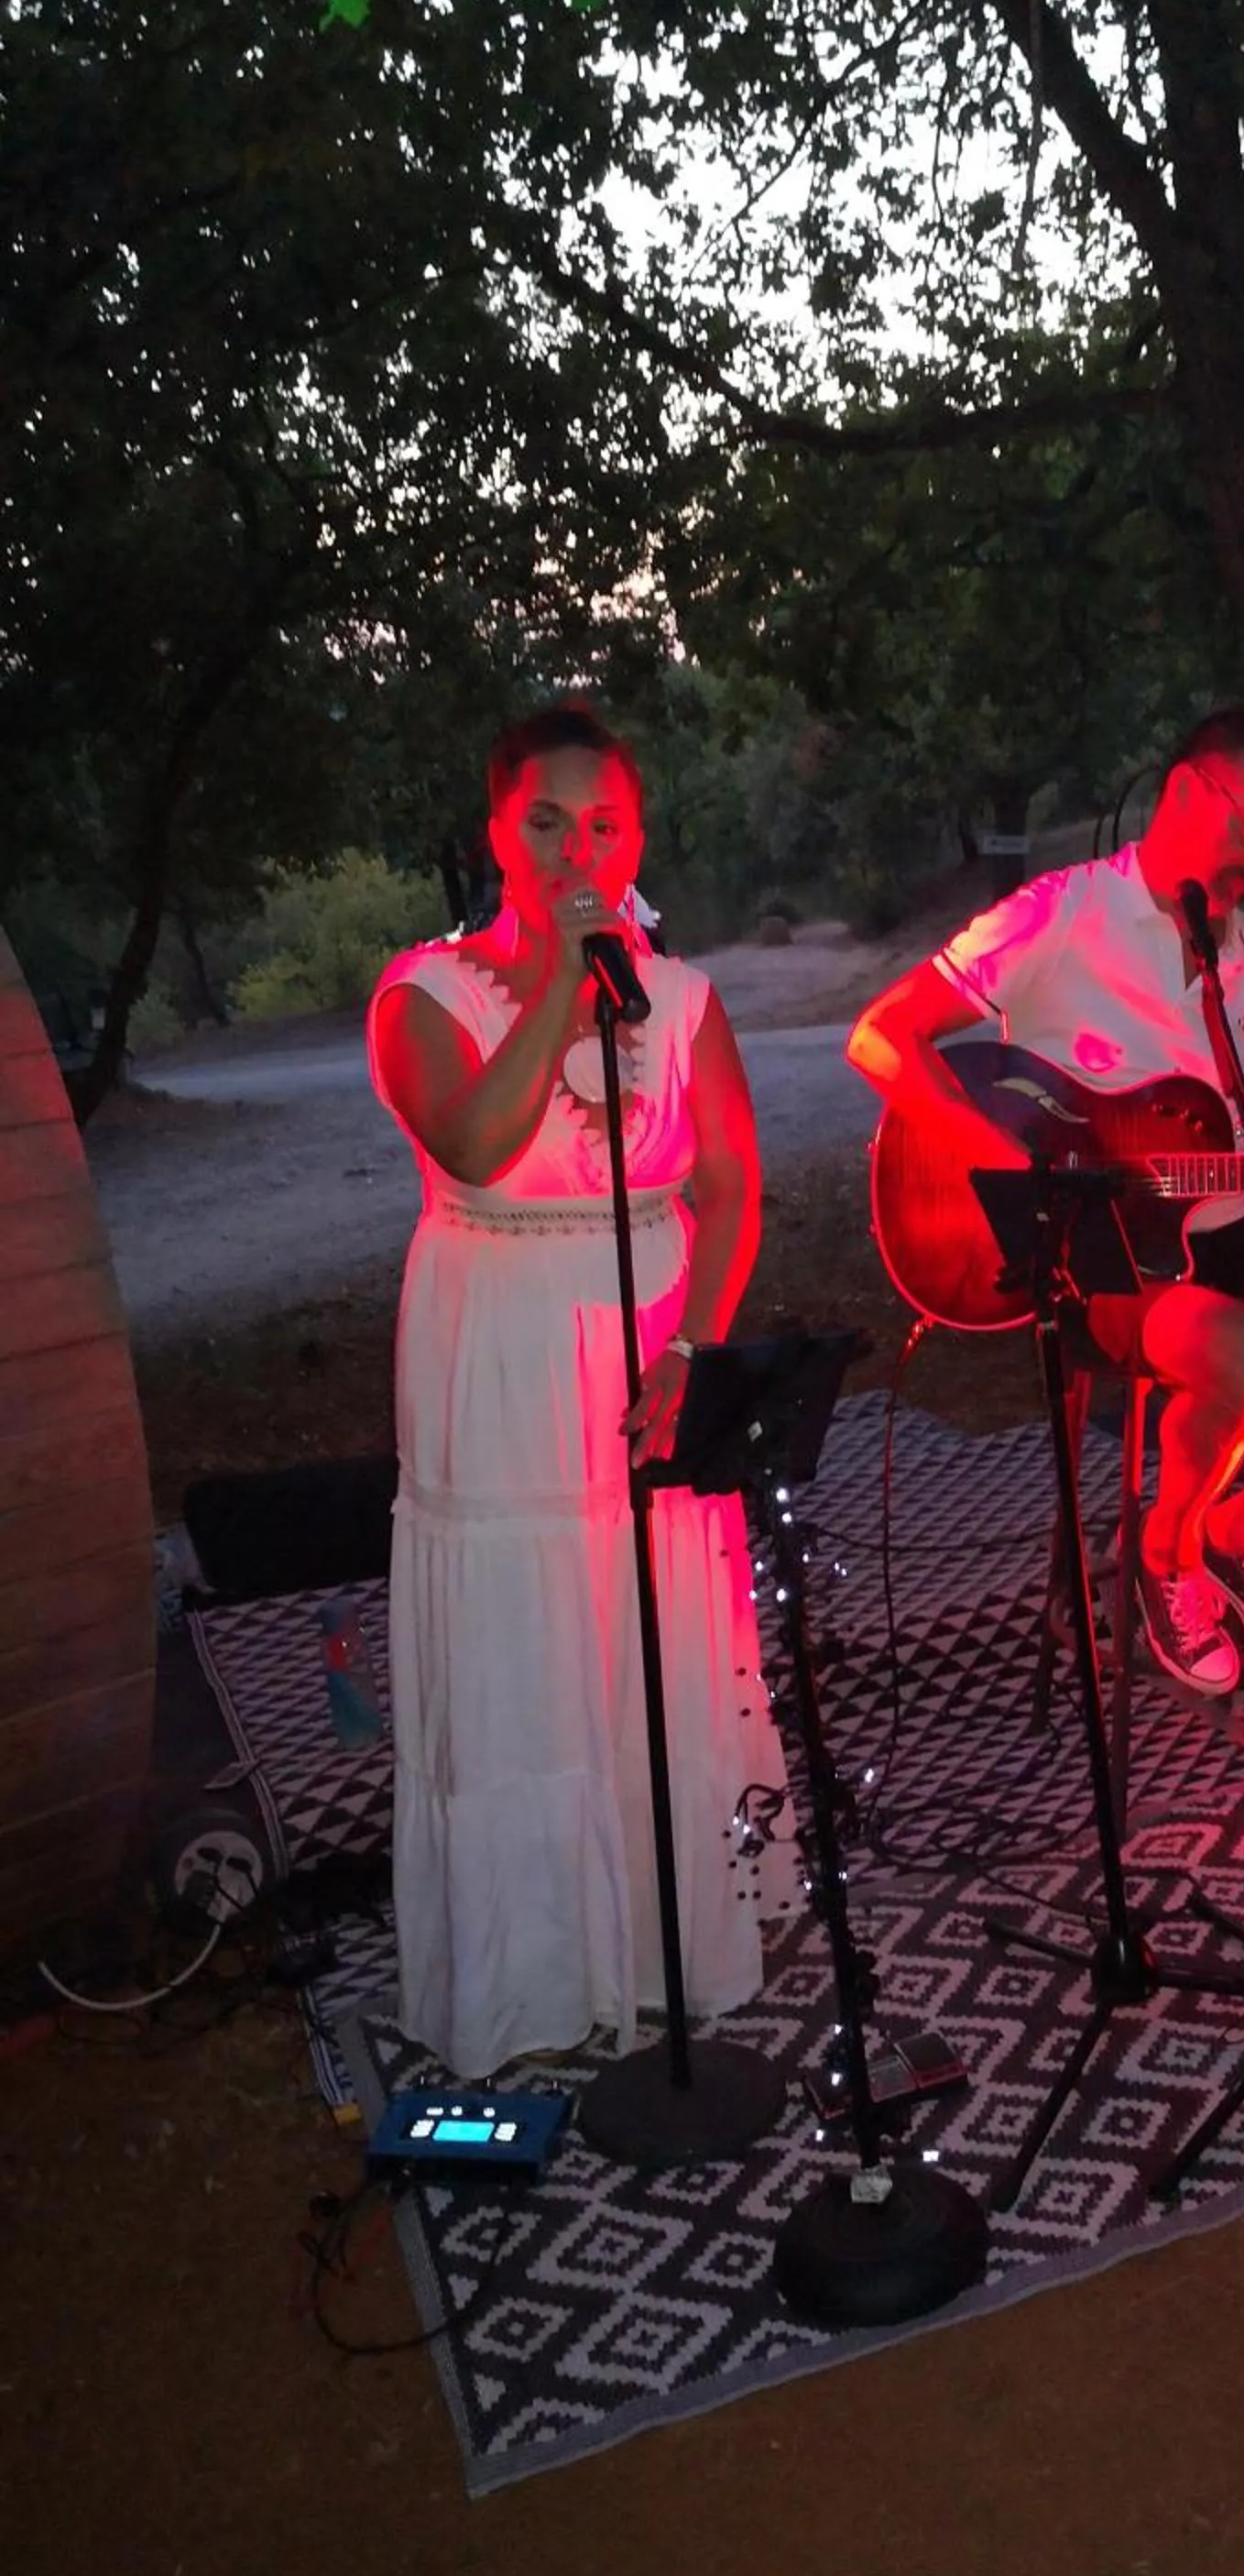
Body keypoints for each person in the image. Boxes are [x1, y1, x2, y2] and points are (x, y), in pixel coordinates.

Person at [846, 705, 1244, 1697]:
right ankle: (1162, 1558)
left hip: (1236, 1232)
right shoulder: (1060, 914)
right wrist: (1013, 1168)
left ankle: (1238, 1532)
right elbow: (880, 1037)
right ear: (1190, 792)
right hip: (1104, 1259)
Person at [367, 700, 780, 2079]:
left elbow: (731, 1184)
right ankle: (534, 1970)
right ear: (495, 831)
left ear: (636, 837)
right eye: (545, 822)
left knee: (651, 1637)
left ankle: (665, 1947)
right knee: (524, 1645)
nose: (575, 849)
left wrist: (692, 1352)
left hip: (652, 1343)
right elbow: (481, 1147)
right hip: (499, 1343)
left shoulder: (686, 998)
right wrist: (559, 979)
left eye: (603, 825)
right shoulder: (420, 996)